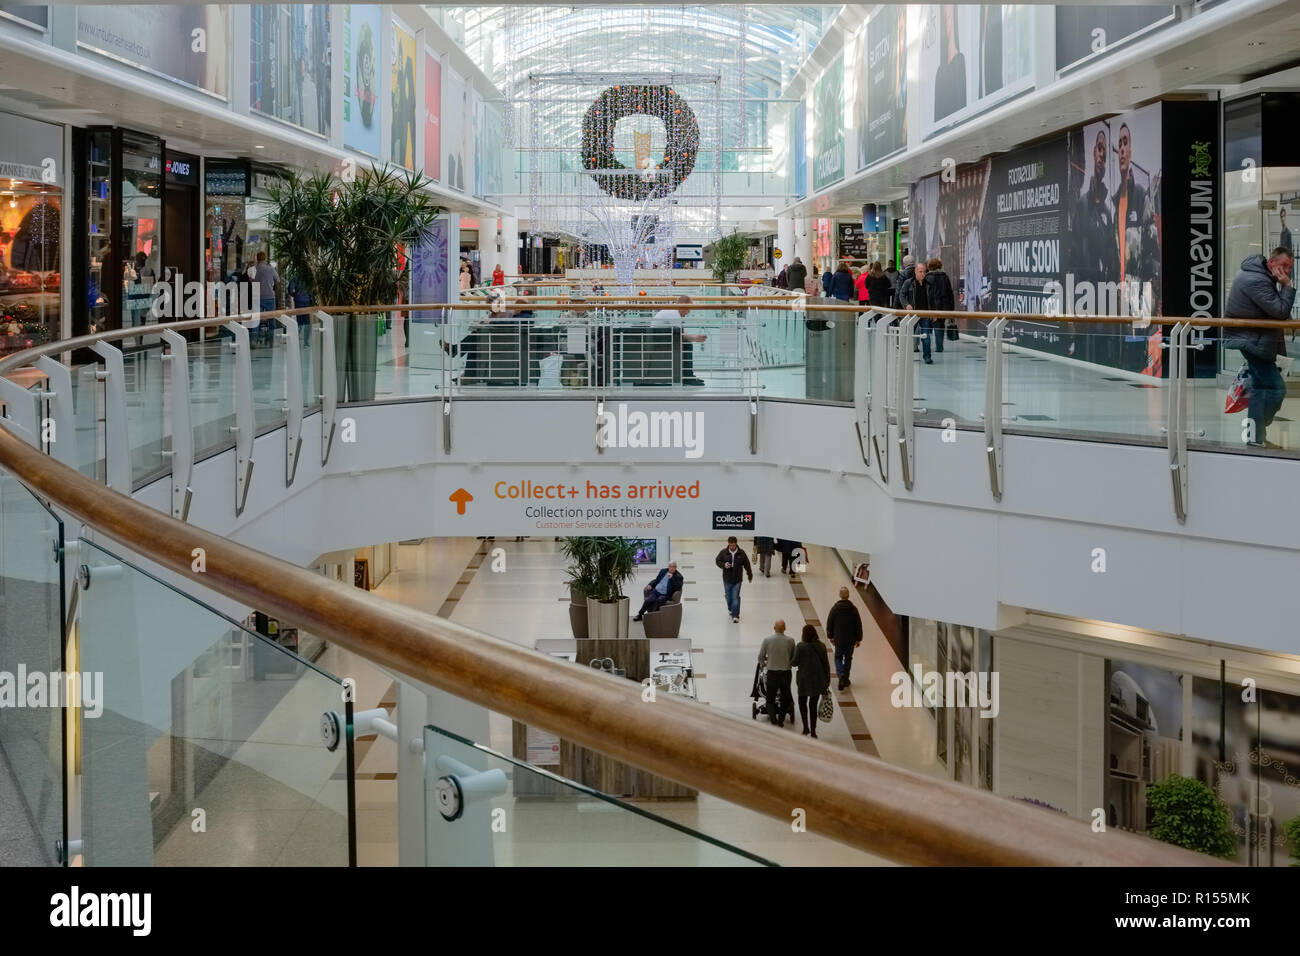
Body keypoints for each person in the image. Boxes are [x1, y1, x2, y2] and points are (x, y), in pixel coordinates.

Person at [1224, 247, 1296, 447]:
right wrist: (1287, 286)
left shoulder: (1259, 276)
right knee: (1275, 389)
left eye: (1290, 267)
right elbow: (1279, 310)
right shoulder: (1257, 280)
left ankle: (1255, 437)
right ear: (1271, 263)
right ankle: (1257, 431)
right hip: (1252, 341)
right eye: (1283, 266)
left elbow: (1271, 310)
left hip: (1255, 339)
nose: (1287, 271)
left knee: (1260, 387)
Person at [651, 294, 708, 386]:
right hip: (660, 341)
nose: (688, 312)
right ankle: (687, 377)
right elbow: (681, 334)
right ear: (683, 306)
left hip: (660, 339)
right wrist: (695, 338)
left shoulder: (672, 310)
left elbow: (680, 333)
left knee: (686, 343)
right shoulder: (674, 313)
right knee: (687, 344)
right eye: (688, 309)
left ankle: (688, 376)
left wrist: (694, 337)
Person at [791, 624, 831, 737]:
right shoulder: (822, 646)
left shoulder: (800, 646)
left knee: (802, 702)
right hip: (817, 680)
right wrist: (827, 681)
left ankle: (805, 728)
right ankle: (813, 730)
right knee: (813, 705)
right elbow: (826, 665)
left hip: (804, 680)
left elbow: (794, 663)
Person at [758, 619, 796, 727]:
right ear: (785, 628)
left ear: (774, 628)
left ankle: (773, 720)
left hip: (772, 673)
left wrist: (764, 664)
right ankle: (781, 720)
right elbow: (793, 659)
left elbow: (760, 656)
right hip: (785, 673)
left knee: (770, 698)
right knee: (785, 698)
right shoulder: (791, 641)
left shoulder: (767, 640)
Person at [826, 586, 863, 691]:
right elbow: (858, 625)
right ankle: (845, 678)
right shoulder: (853, 609)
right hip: (850, 640)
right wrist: (859, 638)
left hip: (839, 639)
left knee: (838, 657)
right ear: (848, 596)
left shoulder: (835, 609)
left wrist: (831, 636)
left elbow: (830, 623)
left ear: (840, 595)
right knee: (848, 659)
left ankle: (841, 675)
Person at [922, 257, 956, 357]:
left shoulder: (927, 278)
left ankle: (932, 347)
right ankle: (939, 346)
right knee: (940, 325)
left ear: (929, 267)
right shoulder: (945, 277)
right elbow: (950, 293)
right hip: (944, 305)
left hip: (932, 305)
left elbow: (928, 294)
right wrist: (951, 308)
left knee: (930, 326)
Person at [715, 535, 753, 623]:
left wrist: (750, 575)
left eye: (734, 545)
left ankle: (735, 615)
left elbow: (747, 565)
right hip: (727, 579)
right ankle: (731, 608)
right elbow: (717, 561)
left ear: (736, 544)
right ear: (728, 544)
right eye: (730, 545)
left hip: (737, 579)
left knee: (735, 597)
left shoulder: (741, 553)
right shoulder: (723, 552)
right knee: (728, 597)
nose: (732, 547)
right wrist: (724, 565)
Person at [252, 251, 279, 346]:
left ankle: (254, 340)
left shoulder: (254, 269)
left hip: (257, 297)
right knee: (272, 319)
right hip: (269, 297)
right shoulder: (270, 269)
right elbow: (277, 279)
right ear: (265, 258)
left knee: (256, 319)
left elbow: (251, 281)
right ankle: (272, 341)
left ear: (257, 258)